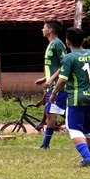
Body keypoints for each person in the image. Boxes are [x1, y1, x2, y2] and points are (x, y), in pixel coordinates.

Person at [50, 27, 90, 167]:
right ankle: (89, 158)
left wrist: (54, 93)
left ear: (67, 42)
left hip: (78, 98)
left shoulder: (69, 58)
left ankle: (88, 159)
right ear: (83, 40)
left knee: (74, 129)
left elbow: (62, 80)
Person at [34, 21, 67, 149]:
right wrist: (44, 78)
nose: (42, 29)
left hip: (58, 85)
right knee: (50, 112)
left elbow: (64, 64)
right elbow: (53, 66)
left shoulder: (58, 44)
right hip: (52, 84)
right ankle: (45, 144)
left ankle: (45, 144)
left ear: (51, 29)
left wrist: (51, 79)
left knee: (51, 113)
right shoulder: (51, 44)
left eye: (44, 27)